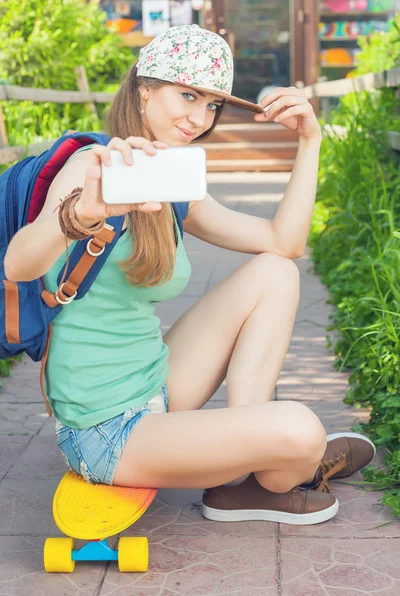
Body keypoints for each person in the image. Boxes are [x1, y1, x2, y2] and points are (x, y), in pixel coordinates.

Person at [5, 24, 375, 525]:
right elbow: (18, 262)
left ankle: (243, 478)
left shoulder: (171, 181)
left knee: (275, 273)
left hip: (157, 383)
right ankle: (282, 463)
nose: (199, 118)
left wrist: (309, 143)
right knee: (303, 431)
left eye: (212, 105)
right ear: (144, 89)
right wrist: (79, 216)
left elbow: (284, 243)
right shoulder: (90, 167)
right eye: (187, 96)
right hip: (106, 431)